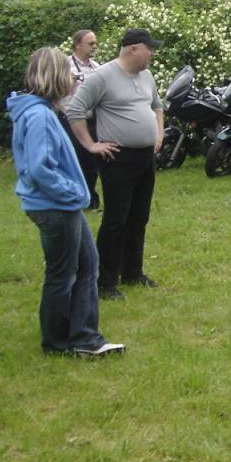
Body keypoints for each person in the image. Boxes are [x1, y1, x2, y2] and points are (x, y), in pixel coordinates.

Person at [7, 47, 125, 357]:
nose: (74, 80)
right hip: (55, 207)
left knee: (87, 265)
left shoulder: (40, 111)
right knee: (63, 274)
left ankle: (82, 337)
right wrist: (71, 193)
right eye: (71, 74)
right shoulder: (38, 116)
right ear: (55, 76)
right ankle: (60, 343)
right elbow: (40, 168)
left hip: (58, 205)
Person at [67, 28, 165, 300]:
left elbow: (157, 106)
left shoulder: (146, 75)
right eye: (149, 48)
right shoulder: (102, 76)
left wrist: (158, 135)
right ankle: (105, 281)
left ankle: (133, 272)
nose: (152, 53)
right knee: (116, 219)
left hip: (145, 157)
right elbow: (75, 110)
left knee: (139, 216)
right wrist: (91, 145)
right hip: (117, 158)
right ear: (134, 49)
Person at [65, 29, 101, 210]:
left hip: (93, 119)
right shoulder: (65, 66)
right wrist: (68, 83)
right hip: (71, 120)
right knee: (76, 160)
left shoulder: (96, 67)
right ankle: (77, 198)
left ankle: (90, 199)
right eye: (90, 43)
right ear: (77, 45)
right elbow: (57, 94)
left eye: (95, 43)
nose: (94, 46)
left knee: (92, 161)